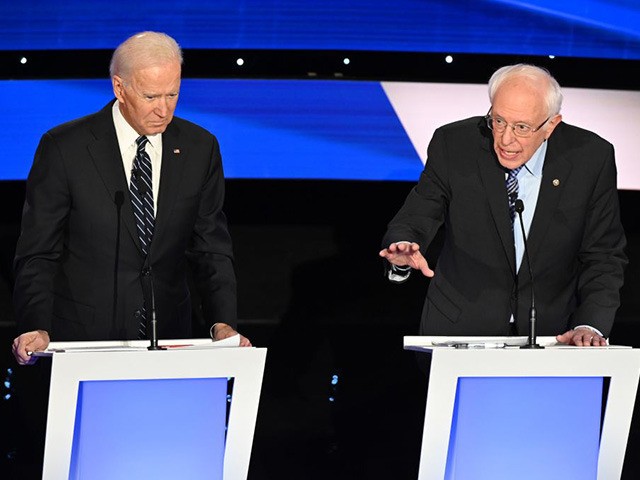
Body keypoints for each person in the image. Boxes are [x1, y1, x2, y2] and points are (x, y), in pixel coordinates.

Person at [12, 31, 251, 364]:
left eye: (173, 94)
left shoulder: (200, 147)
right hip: (83, 341)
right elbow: (39, 251)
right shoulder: (64, 148)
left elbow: (210, 247)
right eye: (151, 96)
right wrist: (35, 325)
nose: (163, 109)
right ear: (119, 88)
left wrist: (222, 323)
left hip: (169, 339)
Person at [380, 64, 627, 346]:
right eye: (498, 121)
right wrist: (403, 246)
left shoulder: (591, 157)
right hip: (460, 330)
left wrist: (590, 324)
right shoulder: (454, 144)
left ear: (550, 125)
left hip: (553, 335)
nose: (506, 139)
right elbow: (418, 213)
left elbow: (604, 255)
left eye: (521, 127)